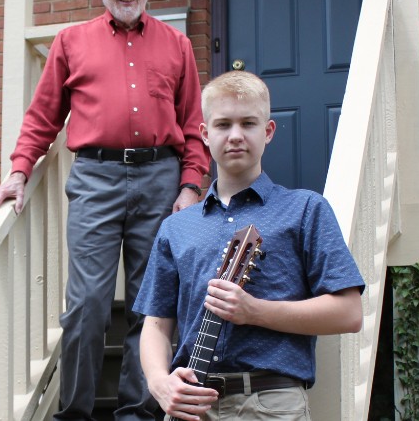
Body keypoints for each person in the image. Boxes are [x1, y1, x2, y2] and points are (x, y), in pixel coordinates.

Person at [0, 0, 210, 420]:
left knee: (152, 307)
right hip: (95, 178)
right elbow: (42, 118)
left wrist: (191, 186)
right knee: (87, 305)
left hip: (161, 181)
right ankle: (75, 413)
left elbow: (193, 127)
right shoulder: (71, 41)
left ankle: (138, 413)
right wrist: (19, 171)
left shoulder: (178, 46)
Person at [133, 71, 365, 420]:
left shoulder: (304, 209)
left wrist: (254, 310)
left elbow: (348, 313)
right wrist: (158, 382)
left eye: (248, 123)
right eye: (223, 124)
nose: (236, 135)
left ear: (268, 131)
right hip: (192, 405)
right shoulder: (177, 227)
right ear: (205, 134)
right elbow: (156, 324)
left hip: (271, 402)